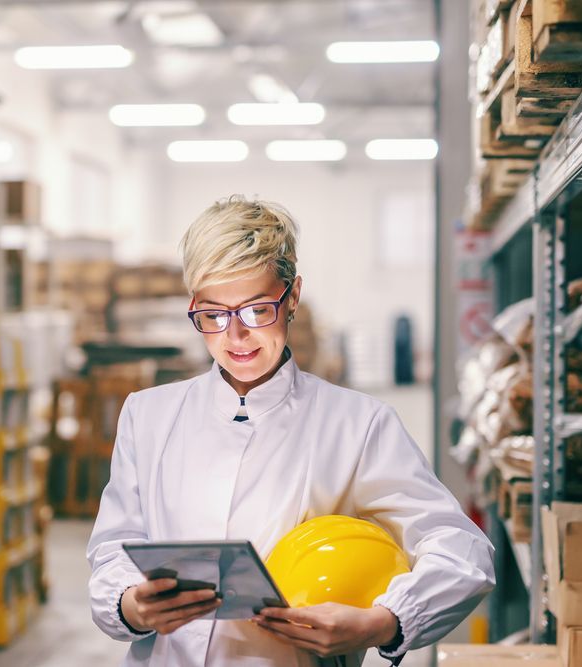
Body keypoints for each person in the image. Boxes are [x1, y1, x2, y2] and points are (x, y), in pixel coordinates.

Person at [88, 196, 495, 666]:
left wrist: (386, 621)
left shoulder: (358, 424)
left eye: (258, 310)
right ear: (194, 305)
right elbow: (112, 551)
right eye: (214, 315)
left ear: (293, 296)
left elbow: (462, 551)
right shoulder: (148, 414)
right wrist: (130, 604)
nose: (236, 336)